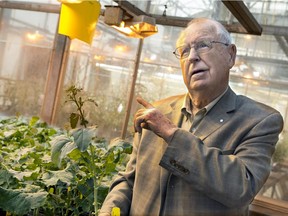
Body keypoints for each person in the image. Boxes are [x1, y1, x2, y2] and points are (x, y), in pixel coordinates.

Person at [99, 18, 284, 216]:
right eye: (184, 51)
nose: (192, 57)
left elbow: (241, 188)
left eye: (203, 45)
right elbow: (129, 180)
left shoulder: (259, 121)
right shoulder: (158, 111)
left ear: (231, 55)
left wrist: (171, 134)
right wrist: (110, 211)